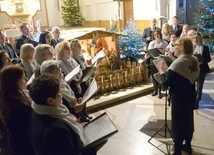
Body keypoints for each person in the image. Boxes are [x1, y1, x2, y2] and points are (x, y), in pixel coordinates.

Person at [28, 74, 103, 155]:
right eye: (59, 92)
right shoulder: (56, 130)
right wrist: (93, 148)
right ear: (50, 100)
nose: (62, 92)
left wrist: (78, 127)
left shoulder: (36, 113)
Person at [157, 37, 199, 155]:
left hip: (179, 99)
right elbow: (185, 73)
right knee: (188, 121)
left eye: (175, 45)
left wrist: (161, 71)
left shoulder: (177, 65)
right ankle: (188, 146)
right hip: (190, 96)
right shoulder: (193, 59)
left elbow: (165, 84)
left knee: (178, 124)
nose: (173, 47)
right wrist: (171, 60)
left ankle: (178, 151)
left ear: (181, 48)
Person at [0, 65, 34, 155]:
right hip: (23, 145)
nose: (26, 79)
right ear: (14, 83)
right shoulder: (15, 105)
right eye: (22, 78)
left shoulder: (16, 96)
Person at [55, 41, 90, 122]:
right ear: (61, 50)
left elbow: (78, 69)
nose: (69, 50)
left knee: (81, 100)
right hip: (71, 87)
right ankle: (80, 118)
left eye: (69, 48)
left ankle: (83, 115)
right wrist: (74, 82)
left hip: (78, 82)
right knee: (76, 104)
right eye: (66, 48)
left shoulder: (71, 59)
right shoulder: (59, 63)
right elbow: (63, 78)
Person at [70, 39, 93, 120]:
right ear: (73, 48)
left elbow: (84, 65)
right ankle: (82, 115)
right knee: (81, 97)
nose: (80, 47)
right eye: (78, 46)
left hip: (84, 78)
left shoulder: (81, 55)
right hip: (80, 80)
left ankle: (85, 112)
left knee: (85, 97)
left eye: (80, 45)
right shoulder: (73, 57)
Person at [192, 32, 211, 109]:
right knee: (192, 85)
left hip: (201, 68)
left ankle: (196, 102)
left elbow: (208, 58)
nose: (195, 39)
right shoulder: (191, 47)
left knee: (199, 86)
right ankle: (192, 100)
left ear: (200, 38)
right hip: (192, 68)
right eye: (194, 38)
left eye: (197, 37)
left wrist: (202, 62)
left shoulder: (205, 47)